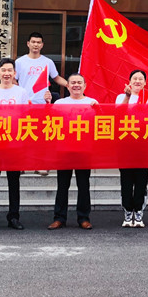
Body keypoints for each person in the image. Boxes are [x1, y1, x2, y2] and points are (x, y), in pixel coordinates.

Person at [0, 58, 46, 231]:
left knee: (14, 180)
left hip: (14, 142)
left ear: (15, 73)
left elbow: (26, 115)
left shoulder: (21, 92)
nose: (7, 73)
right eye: (4, 70)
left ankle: (14, 217)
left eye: (10, 70)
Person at [48, 73, 98, 230]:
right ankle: (59, 218)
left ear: (85, 86)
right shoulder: (60, 103)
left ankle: (84, 218)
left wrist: (98, 110)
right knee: (62, 185)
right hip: (64, 150)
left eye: (79, 82)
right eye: (73, 82)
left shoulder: (92, 103)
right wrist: (48, 105)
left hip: (84, 149)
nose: (76, 85)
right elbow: (50, 122)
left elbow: (101, 123)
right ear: (68, 86)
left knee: (83, 185)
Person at [15, 31, 68, 175]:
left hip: (43, 104)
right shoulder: (19, 62)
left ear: (42, 45)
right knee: (24, 135)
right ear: (28, 44)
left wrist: (70, 85)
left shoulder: (47, 62)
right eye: (33, 42)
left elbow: (56, 78)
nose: (35, 45)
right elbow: (14, 80)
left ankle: (39, 165)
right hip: (24, 104)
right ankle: (22, 165)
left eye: (38, 42)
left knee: (41, 136)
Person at [116, 69, 148, 228]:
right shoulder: (121, 97)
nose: (137, 81)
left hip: (143, 146)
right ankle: (127, 211)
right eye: (134, 78)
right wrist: (127, 96)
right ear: (129, 81)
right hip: (125, 145)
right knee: (126, 181)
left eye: (140, 79)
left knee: (141, 181)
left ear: (145, 83)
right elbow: (118, 114)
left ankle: (138, 212)